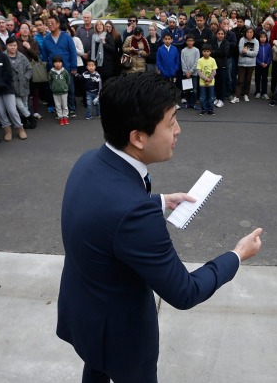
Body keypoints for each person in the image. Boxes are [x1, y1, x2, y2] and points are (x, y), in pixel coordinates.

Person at [56, 72, 262, 382]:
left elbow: (106, 212)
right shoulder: (134, 214)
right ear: (138, 137)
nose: (178, 131)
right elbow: (184, 291)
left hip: (83, 311)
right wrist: (236, 255)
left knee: (95, 368)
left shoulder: (89, 161)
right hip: (122, 336)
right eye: (171, 122)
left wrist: (160, 200)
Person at [4, 37, 36, 129]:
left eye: (14, 45)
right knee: (20, 105)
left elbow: (29, 69)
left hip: (23, 84)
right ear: (6, 46)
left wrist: (26, 78)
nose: (12, 47)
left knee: (25, 104)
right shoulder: (3, 56)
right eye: (10, 45)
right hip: (12, 86)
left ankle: (24, 120)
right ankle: (31, 118)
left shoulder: (22, 56)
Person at [232, 27, 258, 104]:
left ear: (253, 33)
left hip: (251, 64)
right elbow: (240, 51)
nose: (249, 34)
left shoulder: (256, 41)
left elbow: (255, 53)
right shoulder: (242, 40)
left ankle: (246, 94)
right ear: (245, 33)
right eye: (247, 32)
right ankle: (236, 96)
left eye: (251, 32)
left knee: (248, 80)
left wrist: (246, 52)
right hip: (242, 63)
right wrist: (249, 52)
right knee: (240, 80)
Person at [49, 55, 71, 125]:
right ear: (53, 63)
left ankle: (65, 117)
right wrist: (52, 87)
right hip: (55, 92)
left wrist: (66, 87)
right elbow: (50, 81)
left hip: (64, 91)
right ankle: (60, 117)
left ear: (62, 63)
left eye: (59, 62)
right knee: (58, 105)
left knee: (64, 105)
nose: (58, 64)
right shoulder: (51, 72)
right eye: (56, 62)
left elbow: (68, 80)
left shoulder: (65, 71)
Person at [197, 44, 218, 116]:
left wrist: (210, 79)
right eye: (204, 51)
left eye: (208, 51)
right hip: (202, 83)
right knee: (203, 97)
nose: (206, 52)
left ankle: (210, 109)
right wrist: (206, 79)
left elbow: (214, 71)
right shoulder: (200, 60)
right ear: (202, 52)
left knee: (211, 97)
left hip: (211, 83)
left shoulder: (212, 60)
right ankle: (204, 109)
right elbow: (199, 72)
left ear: (210, 52)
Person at [180, 35, 200, 110]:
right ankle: (188, 103)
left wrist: (191, 71)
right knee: (187, 89)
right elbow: (183, 62)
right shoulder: (183, 51)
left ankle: (194, 103)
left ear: (194, 42)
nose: (189, 42)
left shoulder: (196, 50)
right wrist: (186, 72)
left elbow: (197, 61)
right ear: (186, 41)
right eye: (188, 40)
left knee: (194, 90)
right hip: (186, 73)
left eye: (191, 40)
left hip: (194, 73)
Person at [255, 31, 272, 99]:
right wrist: (260, 63)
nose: (263, 38)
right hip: (258, 65)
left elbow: (270, 55)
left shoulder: (268, 45)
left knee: (265, 79)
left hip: (266, 65)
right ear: (259, 38)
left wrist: (267, 63)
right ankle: (257, 91)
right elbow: (255, 56)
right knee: (257, 78)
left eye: (264, 37)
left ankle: (264, 92)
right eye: (261, 37)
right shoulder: (257, 45)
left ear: (266, 38)